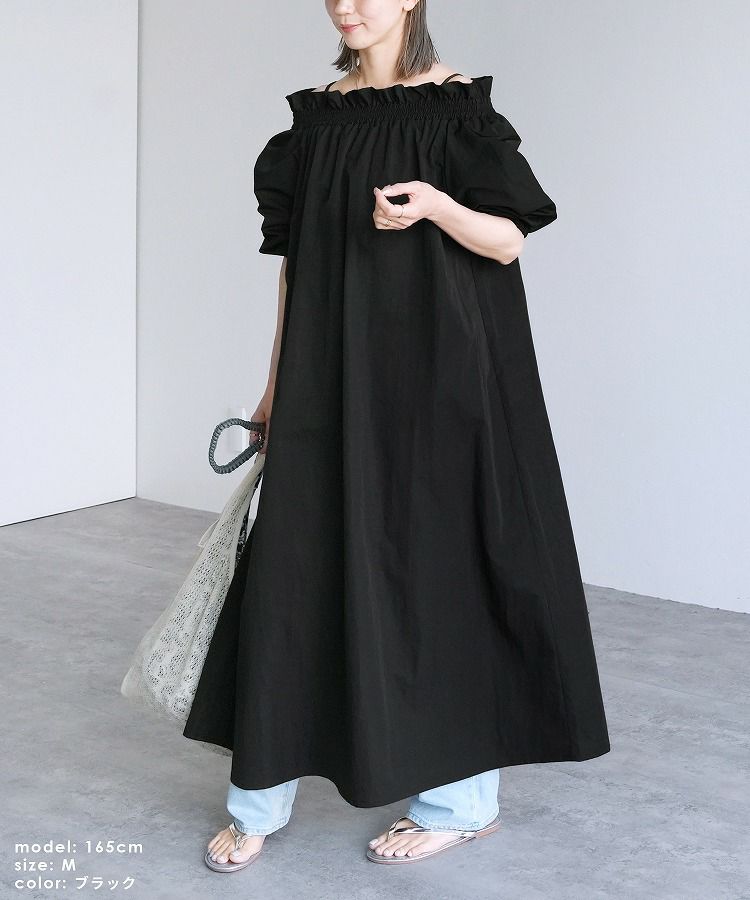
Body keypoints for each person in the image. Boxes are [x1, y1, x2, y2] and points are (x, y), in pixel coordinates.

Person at [185, 0, 611, 872]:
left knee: (442, 577)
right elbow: (296, 268)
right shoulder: (314, 123)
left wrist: (438, 206)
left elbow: (507, 241)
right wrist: (274, 386)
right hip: (328, 376)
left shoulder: (458, 110)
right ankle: (257, 795)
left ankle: (461, 805)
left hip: (444, 379)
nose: (346, 5)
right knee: (294, 575)